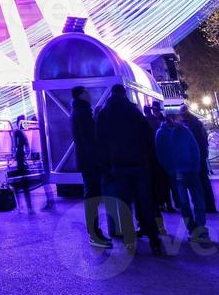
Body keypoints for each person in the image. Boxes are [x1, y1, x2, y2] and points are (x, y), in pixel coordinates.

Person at [94, 84, 162, 256]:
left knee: (124, 205)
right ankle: (154, 240)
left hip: (118, 166)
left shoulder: (104, 114)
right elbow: (147, 135)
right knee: (144, 202)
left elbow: (100, 143)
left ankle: (129, 241)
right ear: (124, 94)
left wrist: (106, 165)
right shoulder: (134, 112)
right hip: (139, 164)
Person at [156, 107, 210, 242]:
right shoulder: (176, 132)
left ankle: (197, 229)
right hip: (182, 172)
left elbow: (162, 154)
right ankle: (196, 229)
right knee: (189, 201)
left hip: (185, 171)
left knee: (189, 201)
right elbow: (193, 148)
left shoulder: (165, 133)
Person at [70, 87, 109, 248]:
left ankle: (94, 232)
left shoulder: (80, 111)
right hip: (90, 161)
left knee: (92, 195)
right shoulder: (82, 113)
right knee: (92, 196)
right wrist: (97, 158)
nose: (90, 94)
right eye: (86, 92)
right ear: (81, 95)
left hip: (87, 160)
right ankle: (93, 233)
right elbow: (89, 139)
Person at [180, 106, 216, 213]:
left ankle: (203, 204)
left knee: (198, 181)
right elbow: (204, 139)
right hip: (201, 154)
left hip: (195, 157)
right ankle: (210, 204)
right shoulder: (197, 123)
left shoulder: (189, 126)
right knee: (204, 180)